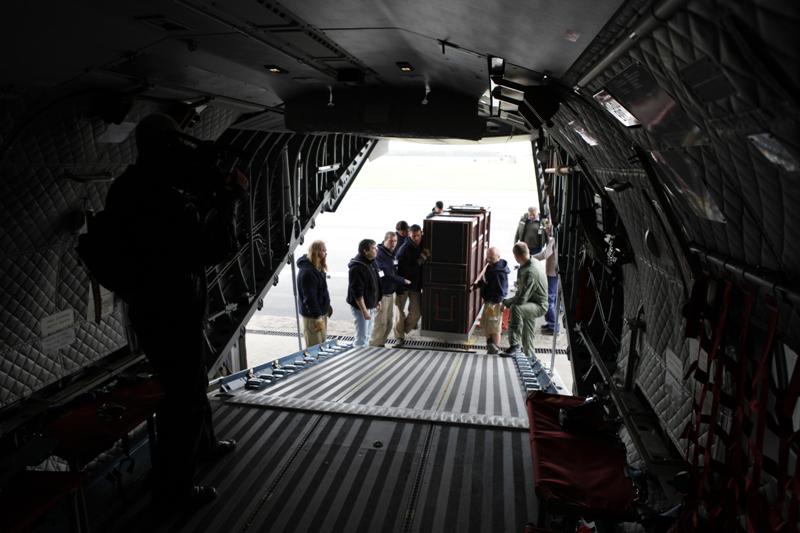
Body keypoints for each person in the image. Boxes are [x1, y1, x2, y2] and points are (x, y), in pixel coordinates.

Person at [104, 113, 238, 510]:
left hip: (150, 308)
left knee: (190, 385)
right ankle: (175, 491)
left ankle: (206, 445)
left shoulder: (126, 188)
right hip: (174, 310)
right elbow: (214, 249)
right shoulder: (166, 198)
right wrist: (227, 202)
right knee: (184, 399)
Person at [501, 242, 549, 357]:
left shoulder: (530, 271)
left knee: (516, 308)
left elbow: (521, 299)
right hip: (531, 301)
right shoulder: (531, 262)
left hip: (538, 305)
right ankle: (530, 357)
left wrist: (505, 302)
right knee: (528, 335)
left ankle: (514, 346)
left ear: (516, 256)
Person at [370, 232, 411, 346]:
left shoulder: (391, 254)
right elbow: (386, 274)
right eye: (391, 241)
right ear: (385, 241)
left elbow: (394, 270)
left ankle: (381, 344)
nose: (393, 244)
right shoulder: (379, 255)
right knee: (380, 323)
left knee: (388, 323)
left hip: (390, 294)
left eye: (395, 241)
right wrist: (402, 280)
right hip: (381, 295)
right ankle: (374, 346)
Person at [394, 224, 428, 345]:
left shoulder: (423, 243)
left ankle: (403, 330)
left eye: (418, 235)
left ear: (421, 234)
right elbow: (405, 270)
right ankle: (399, 337)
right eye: (414, 236)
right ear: (409, 234)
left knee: (416, 313)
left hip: (415, 285)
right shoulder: (404, 249)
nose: (416, 238)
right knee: (399, 312)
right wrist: (421, 260)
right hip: (402, 285)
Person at [474, 247, 510, 354]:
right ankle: (490, 346)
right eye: (488, 257)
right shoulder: (492, 266)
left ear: (498, 257)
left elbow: (500, 291)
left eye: (491, 257)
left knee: (494, 326)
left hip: (494, 303)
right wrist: (481, 284)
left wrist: (495, 304)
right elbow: (489, 284)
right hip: (489, 302)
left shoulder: (498, 272)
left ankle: (494, 349)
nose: (488, 259)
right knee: (487, 324)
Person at [297, 240, 332, 348]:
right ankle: (314, 365)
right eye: (323, 250)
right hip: (313, 316)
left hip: (321, 313)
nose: (326, 253)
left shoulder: (317, 267)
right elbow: (310, 298)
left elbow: (322, 292)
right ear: (316, 252)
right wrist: (317, 316)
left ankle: (322, 364)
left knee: (322, 342)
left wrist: (327, 307)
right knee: (314, 345)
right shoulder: (307, 272)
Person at [347, 239, 382, 347]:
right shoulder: (357, 267)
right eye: (373, 248)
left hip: (371, 303)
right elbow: (357, 292)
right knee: (361, 337)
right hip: (361, 307)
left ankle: (363, 356)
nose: (376, 250)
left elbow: (376, 282)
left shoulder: (372, 262)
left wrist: (377, 300)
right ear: (365, 251)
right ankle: (357, 358)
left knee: (367, 335)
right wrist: (364, 311)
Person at [534, 220, 559, 335]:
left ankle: (553, 327)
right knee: (550, 299)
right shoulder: (555, 239)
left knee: (549, 300)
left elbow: (545, 254)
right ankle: (550, 323)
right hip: (552, 273)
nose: (546, 231)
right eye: (546, 229)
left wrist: (530, 258)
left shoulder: (553, 240)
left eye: (548, 229)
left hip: (552, 274)